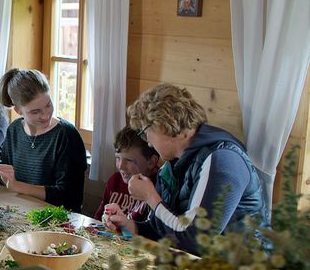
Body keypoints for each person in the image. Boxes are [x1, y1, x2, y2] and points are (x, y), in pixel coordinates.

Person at [105, 83, 266, 255]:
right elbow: (161, 229)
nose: (148, 142)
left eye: (146, 132)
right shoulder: (171, 165)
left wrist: (151, 198)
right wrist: (129, 225)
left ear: (163, 126)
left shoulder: (224, 160)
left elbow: (196, 241)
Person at [0, 68, 86, 211]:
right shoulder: (15, 130)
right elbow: (4, 178)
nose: (45, 115)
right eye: (35, 111)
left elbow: (68, 196)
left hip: (59, 220)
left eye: (48, 105)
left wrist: (18, 186)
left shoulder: (66, 135)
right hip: (23, 212)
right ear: (18, 111)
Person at [94, 126, 160, 221]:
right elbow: (97, 220)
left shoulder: (159, 188)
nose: (120, 166)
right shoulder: (115, 181)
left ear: (151, 162)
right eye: (118, 158)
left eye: (129, 160)